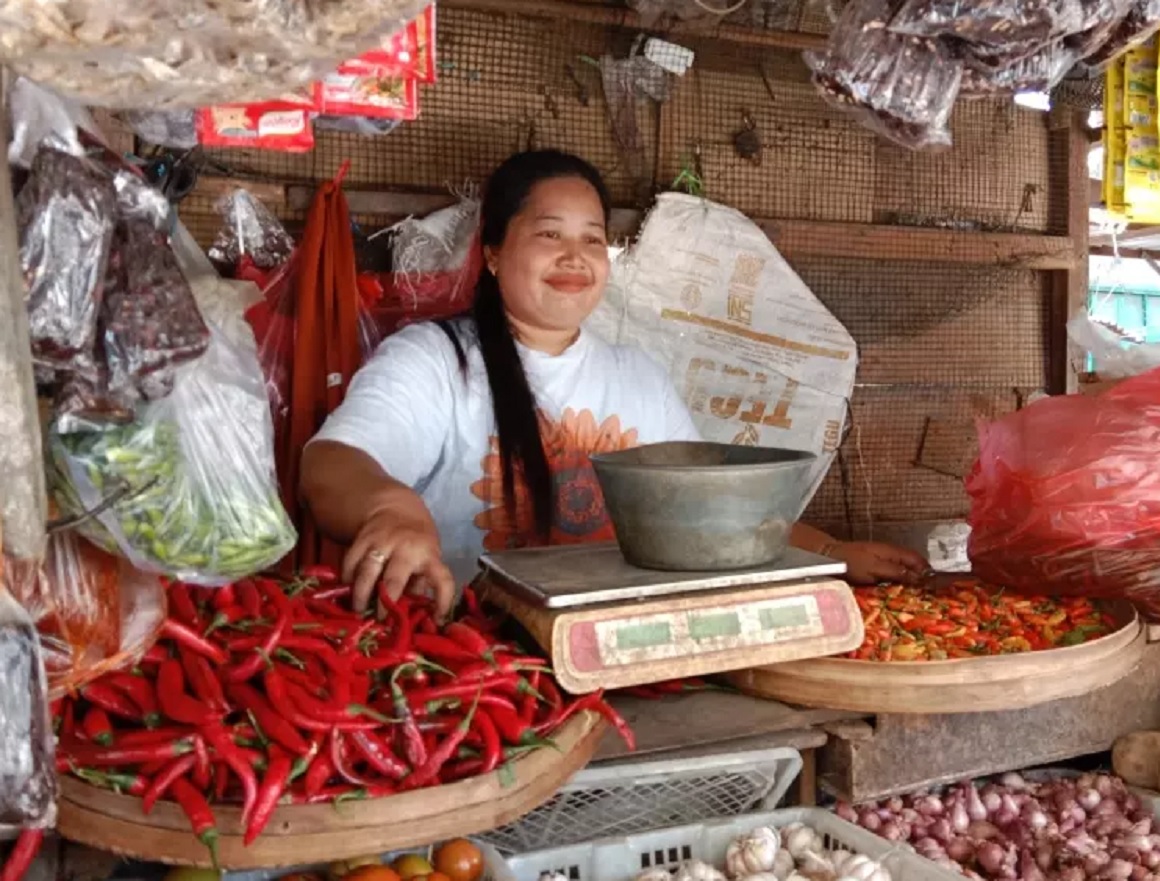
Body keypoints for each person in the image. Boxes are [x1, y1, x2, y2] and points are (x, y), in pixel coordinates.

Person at [301, 149, 928, 616]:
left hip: (621, 649)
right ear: (492, 253)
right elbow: (331, 464)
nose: (575, 258)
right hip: (469, 658)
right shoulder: (436, 360)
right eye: (550, 235)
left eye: (593, 239)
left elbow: (708, 509)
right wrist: (391, 508)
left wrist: (829, 554)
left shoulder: (637, 376)